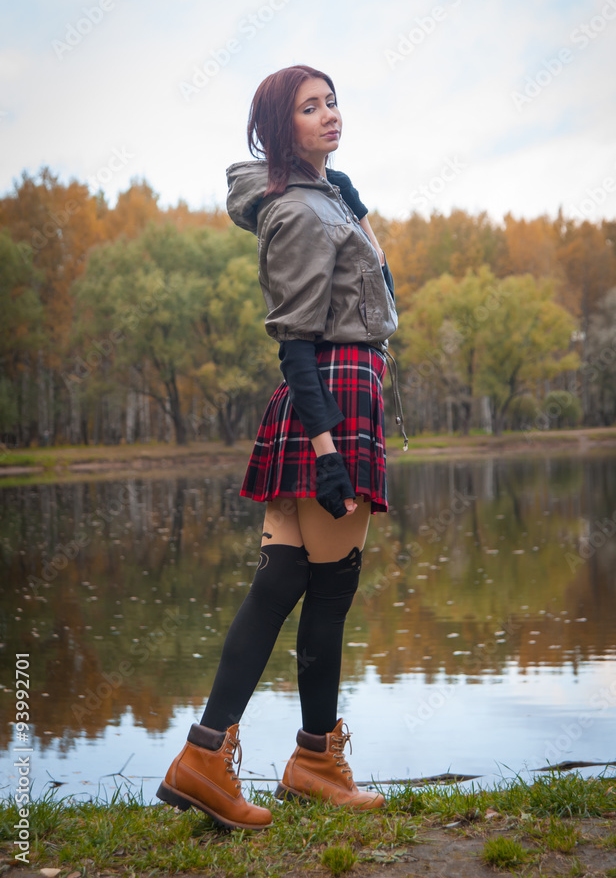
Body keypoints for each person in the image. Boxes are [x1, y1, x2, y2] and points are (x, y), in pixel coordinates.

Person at [157, 64, 403, 831]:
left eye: (332, 101)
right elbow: (295, 343)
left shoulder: (326, 199)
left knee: (280, 585)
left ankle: (206, 756)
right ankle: (315, 764)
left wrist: (353, 202)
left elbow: (375, 292)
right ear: (278, 128)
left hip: (332, 394)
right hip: (330, 398)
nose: (329, 114)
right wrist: (328, 451)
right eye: (309, 107)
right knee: (330, 591)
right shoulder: (298, 211)